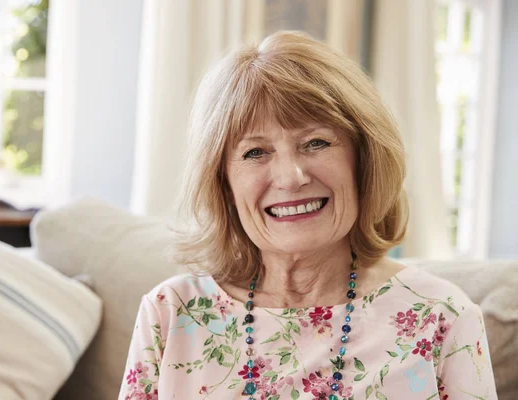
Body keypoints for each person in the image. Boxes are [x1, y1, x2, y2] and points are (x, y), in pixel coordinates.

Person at [119, 31, 497, 400]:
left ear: (363, 160)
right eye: (255, 152)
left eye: (316, 143)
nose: (290, 177)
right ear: (224, 183)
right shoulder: (171, 313)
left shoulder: (442, 317)